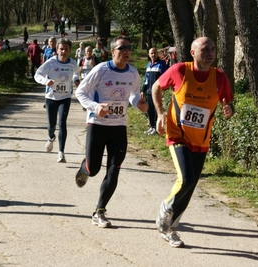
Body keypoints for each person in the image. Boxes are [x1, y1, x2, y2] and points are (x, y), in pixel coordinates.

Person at [152, 37, 234, 248]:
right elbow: (155, 87)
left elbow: (228, 103)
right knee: (186, 178)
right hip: (177, 134)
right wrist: (160, 114)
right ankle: (166, 208)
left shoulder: (220, 77)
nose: (210, 53)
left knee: (190, 186)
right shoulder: (180, 70)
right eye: (205, 49)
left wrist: (229, 110)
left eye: (213, 49)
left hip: (201, 139)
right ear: (192, 52)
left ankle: (171, 228)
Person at [75, 35, 148, 228]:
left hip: (119, 127)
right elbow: (80, 92)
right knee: (94, 169)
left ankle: (100, 211)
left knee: (114, 170)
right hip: (97, 125)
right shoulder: (101, 70)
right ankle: (85, 168)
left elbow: (133, 95)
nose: (126, 51)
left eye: (129, 48)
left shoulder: (132, 72)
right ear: (113, 51)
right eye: (122, 48)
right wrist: (95, 106)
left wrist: (138, 104)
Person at [34, 38, 80, 163]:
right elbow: (37, 74)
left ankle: (61, 152)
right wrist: (46, 81)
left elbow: (76, 73)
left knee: (62, 123)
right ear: (57, 49)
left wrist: (76, 81)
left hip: (65, 97)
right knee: (51, 125)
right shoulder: (51, 62)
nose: (63, 52)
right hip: (51, 97)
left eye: (66, 49)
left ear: (70, 51)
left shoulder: (73, 63)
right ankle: (50, 137)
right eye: (61, 49)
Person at [141, 47, 167, 136]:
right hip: (148, 91)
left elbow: (164, 77)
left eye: (155, 53)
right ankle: (152, 127)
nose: (153, 55)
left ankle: (156, 128)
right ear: (149, 55)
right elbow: (146, 79)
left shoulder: (161, 64)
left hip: (157, 92)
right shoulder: (148, 65)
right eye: (151, 53)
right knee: (150, 110)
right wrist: (142, 90)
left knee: (156, 110)